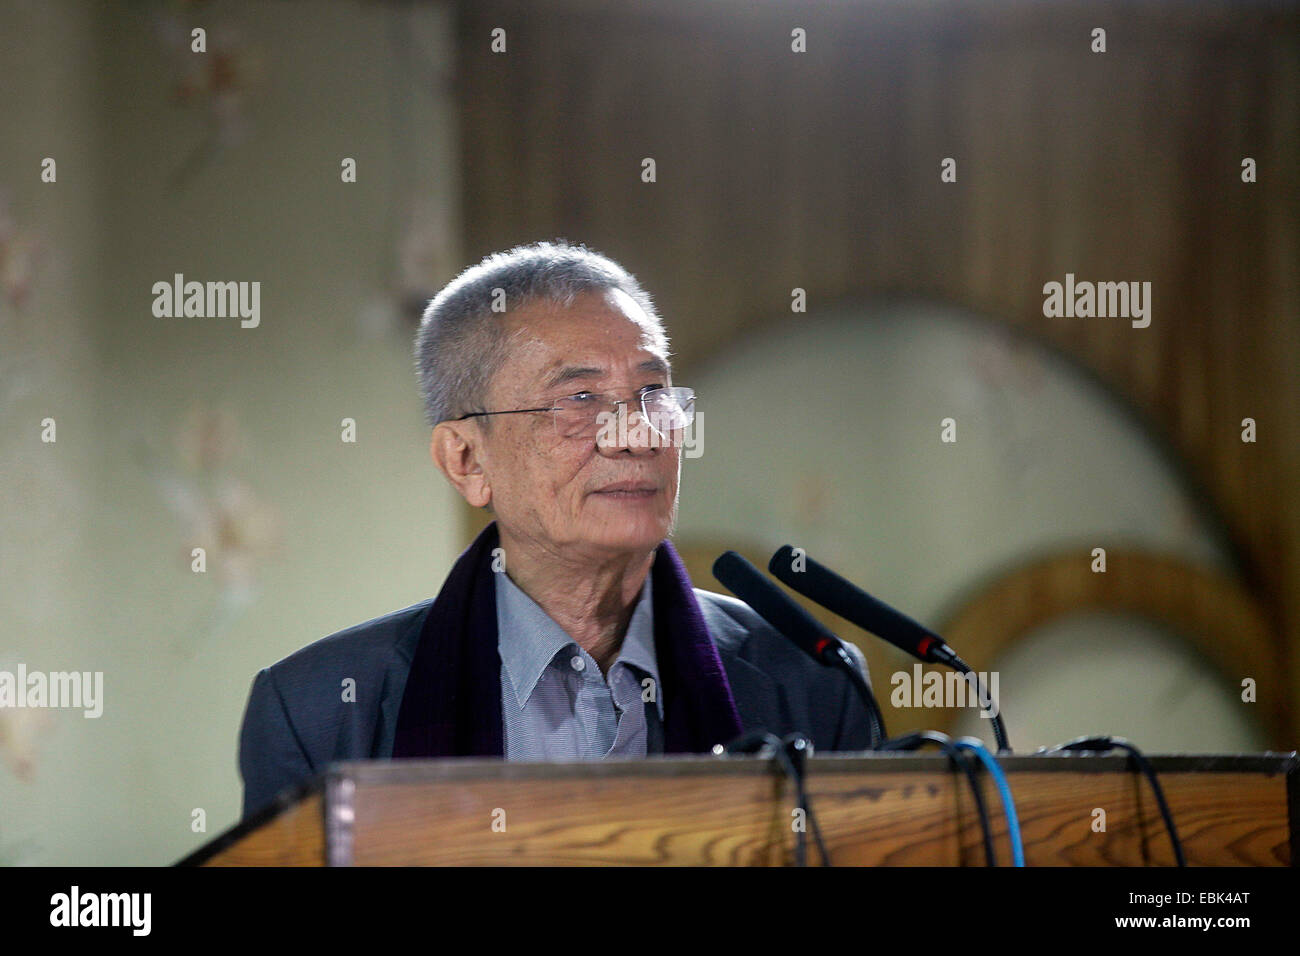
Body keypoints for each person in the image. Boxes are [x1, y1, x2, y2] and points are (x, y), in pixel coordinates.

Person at [237, 240, 873, 819]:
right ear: (466, 459)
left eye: (653, 392)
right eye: (580, 400)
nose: (638, 434)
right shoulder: (317, 710)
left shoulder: (810, 680)